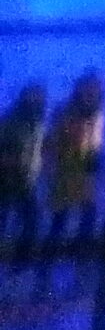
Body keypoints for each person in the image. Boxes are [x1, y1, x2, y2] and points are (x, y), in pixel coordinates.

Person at [36, 73, 104, 284]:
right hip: (66, 172)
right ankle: (47, 263)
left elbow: (95, 142)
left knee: (87, 217)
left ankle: (81, 259)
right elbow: (52, 141)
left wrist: (95, 157)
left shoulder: (97, 113)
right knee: (60, 220)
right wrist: (50, 167)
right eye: (88, 89)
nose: (91, 93)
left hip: (85, 174)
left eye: (95, 89)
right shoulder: (65, 112)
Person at [0, 86, 45, 271]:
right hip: (9, 178)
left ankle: (21, 260)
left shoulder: (37, 123)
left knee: (31, 219)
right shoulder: (12, 121)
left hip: (26, 178)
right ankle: (19, 259)